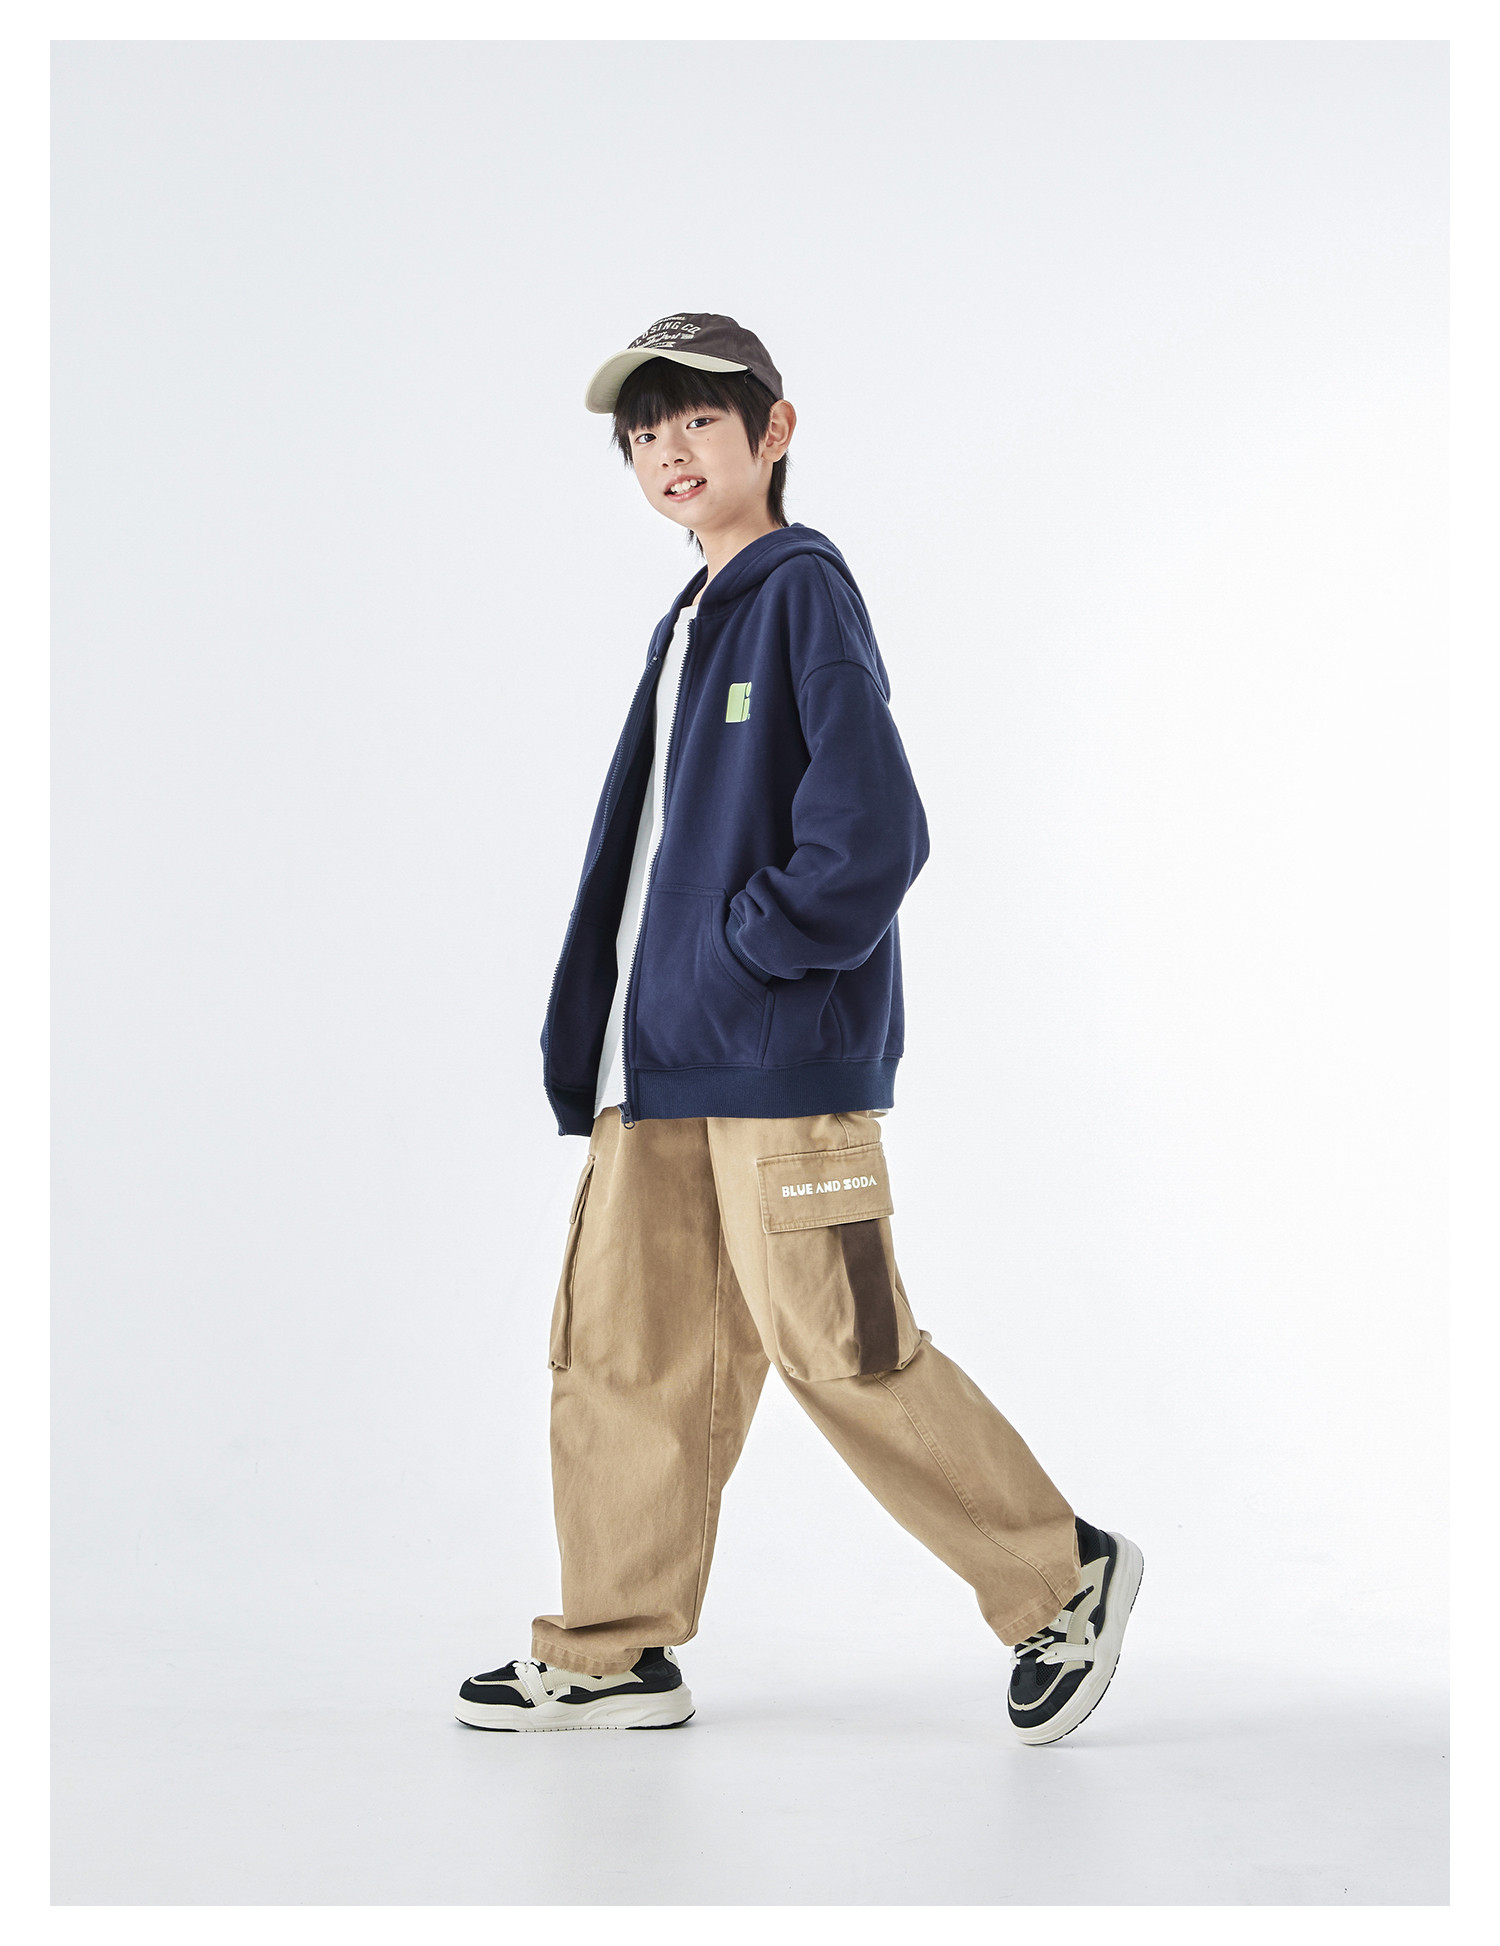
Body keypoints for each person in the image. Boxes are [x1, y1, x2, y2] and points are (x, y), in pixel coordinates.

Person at [456, 314, 1142, 1744]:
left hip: (769, 1060)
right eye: (643, 434)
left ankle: (1061, 1575)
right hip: (657, 1067)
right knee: (623, 1355)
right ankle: (613, 1648)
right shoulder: (692, 619)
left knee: (840, 1344)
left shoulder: (800, 590)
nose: (668, 450)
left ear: (773, 432)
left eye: (698, 420)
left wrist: (746, 955)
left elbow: (873, 832)